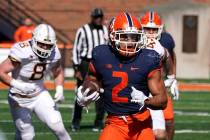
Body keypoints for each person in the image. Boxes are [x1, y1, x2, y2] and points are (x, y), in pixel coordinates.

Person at [76, 12, 168, 140]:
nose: (130, 42)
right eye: (125, 37)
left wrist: (145, 100)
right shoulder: (102, 55)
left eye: (134, 37)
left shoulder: (148, 58)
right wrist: (86, 91)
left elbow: (162, 100)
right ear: (113, 37)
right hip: (115, 123)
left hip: (141, 123)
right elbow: (92, 78)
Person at [0, 24, 71, 140]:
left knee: (58, 127)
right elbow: (1, 71)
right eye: (42, 44)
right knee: (26, 135)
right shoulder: (21, 50)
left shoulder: (54, 52)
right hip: (19, 97)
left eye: (48, 45)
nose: (44, 48)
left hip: (39, 94)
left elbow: (58, 72)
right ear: (33, 39)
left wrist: (59, 89)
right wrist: (19, 85)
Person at [140, 11, 179, 140]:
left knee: (166, 124)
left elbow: (171, 57)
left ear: (160, 29)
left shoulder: (166, 40)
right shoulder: (135, 41)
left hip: (157, 87)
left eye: (154, 29)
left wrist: (173, 78)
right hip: (138, 88)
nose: (151, 32)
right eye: (147, 29)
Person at [72, 8, 108, 132]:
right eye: (96, 17)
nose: (98, 19)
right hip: (86, 63)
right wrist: (76, 67)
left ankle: (98, 122)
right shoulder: (83, 30)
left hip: (101, 63)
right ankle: (76, 121)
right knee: (82, 92)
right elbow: (76, 49)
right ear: (92, 17)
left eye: (100, 17)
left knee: (102, 93)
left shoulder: (105, 30)